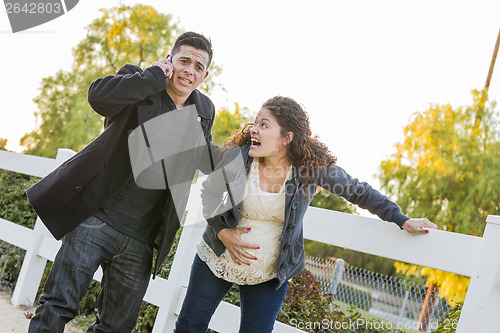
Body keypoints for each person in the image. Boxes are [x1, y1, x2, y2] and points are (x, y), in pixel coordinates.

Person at [174, 96, 437, 333]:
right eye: (255, 123)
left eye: (264, 125)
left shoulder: (310, 170)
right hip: (217, 257)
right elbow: (208, 194)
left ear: (286, 138)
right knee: (189, 327)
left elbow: (358, 191)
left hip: (270, 272)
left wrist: (401, 219)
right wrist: (223, 232)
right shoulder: (237, 157)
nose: (254, 129)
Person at [27, 32, 220, 332]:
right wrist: (153, 77)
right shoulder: (141, 81)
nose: (189, 71)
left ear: (205, 74)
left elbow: (200, 155)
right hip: (96, 219)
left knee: (116, 327)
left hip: (141, 240)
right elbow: (98, 97)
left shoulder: (204, 111)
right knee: (57, 307)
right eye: (184, 61)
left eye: (198, 66)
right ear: (170, 60)